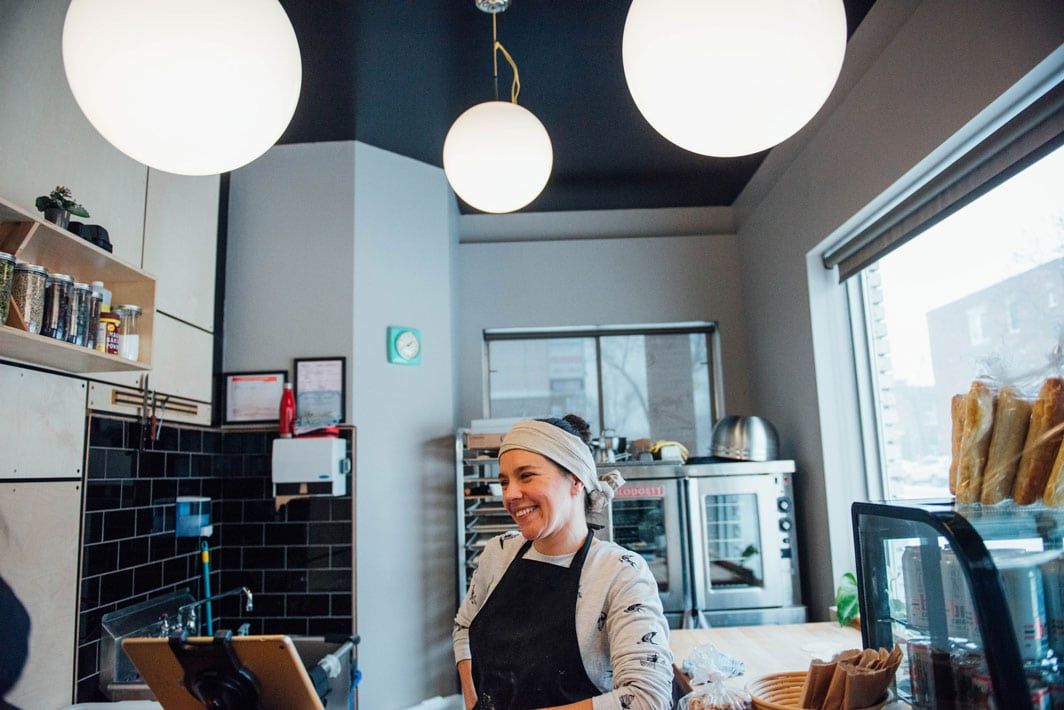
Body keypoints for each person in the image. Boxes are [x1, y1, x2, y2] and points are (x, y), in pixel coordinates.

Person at [453, 415, 673, 710]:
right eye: (504, 481)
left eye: (526, 476)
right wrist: (472, 699)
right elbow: (464, 626)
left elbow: (648, 698)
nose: (510, 494)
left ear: (576, 480)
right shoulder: (499, 552)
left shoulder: (620, 572)